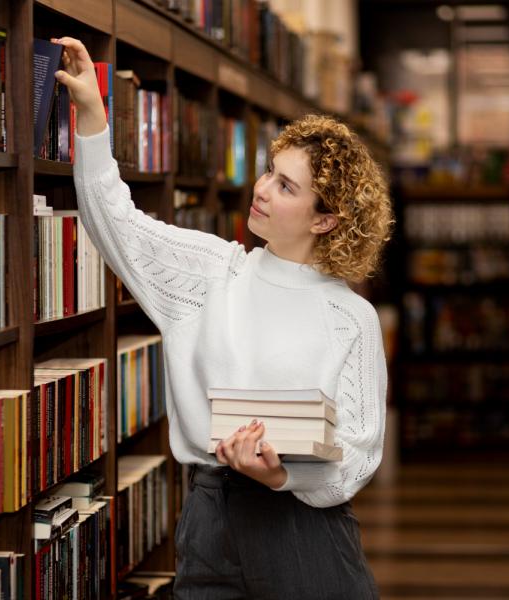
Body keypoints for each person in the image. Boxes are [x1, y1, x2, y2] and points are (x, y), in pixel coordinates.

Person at [53, 36, 393, 600]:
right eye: (268, 172)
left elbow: (359, 455)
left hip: (302, 530)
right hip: (209, 512)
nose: (260, 190)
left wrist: (283, 474)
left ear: (325, 221)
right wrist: (92, 114)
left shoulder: (350, 317)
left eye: (286, 186)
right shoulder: (209, 274)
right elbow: (115, 222)